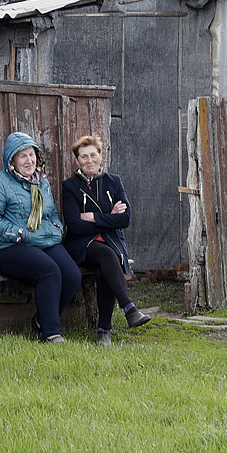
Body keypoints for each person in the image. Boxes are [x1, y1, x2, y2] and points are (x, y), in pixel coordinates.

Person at [0, 132, 80, 343]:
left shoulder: (42, 183)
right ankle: (51, 333)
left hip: (42, 241)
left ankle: (41, 320)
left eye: (32, 154)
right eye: (22, 156)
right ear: (12, 160)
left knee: (72, 274)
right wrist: (20, 234)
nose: (29, 160)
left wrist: (54, 230)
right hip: (6, 247)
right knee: (49, 271)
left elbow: (52, 216)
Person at [61, 134, 152, 347]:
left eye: (93, 155)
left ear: (101, 156)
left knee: (105, 268)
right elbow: (74, 225)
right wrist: (109, 217)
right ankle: (129, 308)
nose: (89, 160)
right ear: (77, 160)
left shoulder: (114, 182)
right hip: (82, 245)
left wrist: (93, 216)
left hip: (112, 241)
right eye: (84, 157)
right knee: (104, 254)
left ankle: (104, 332)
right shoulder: (70, 187)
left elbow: (126, 218)